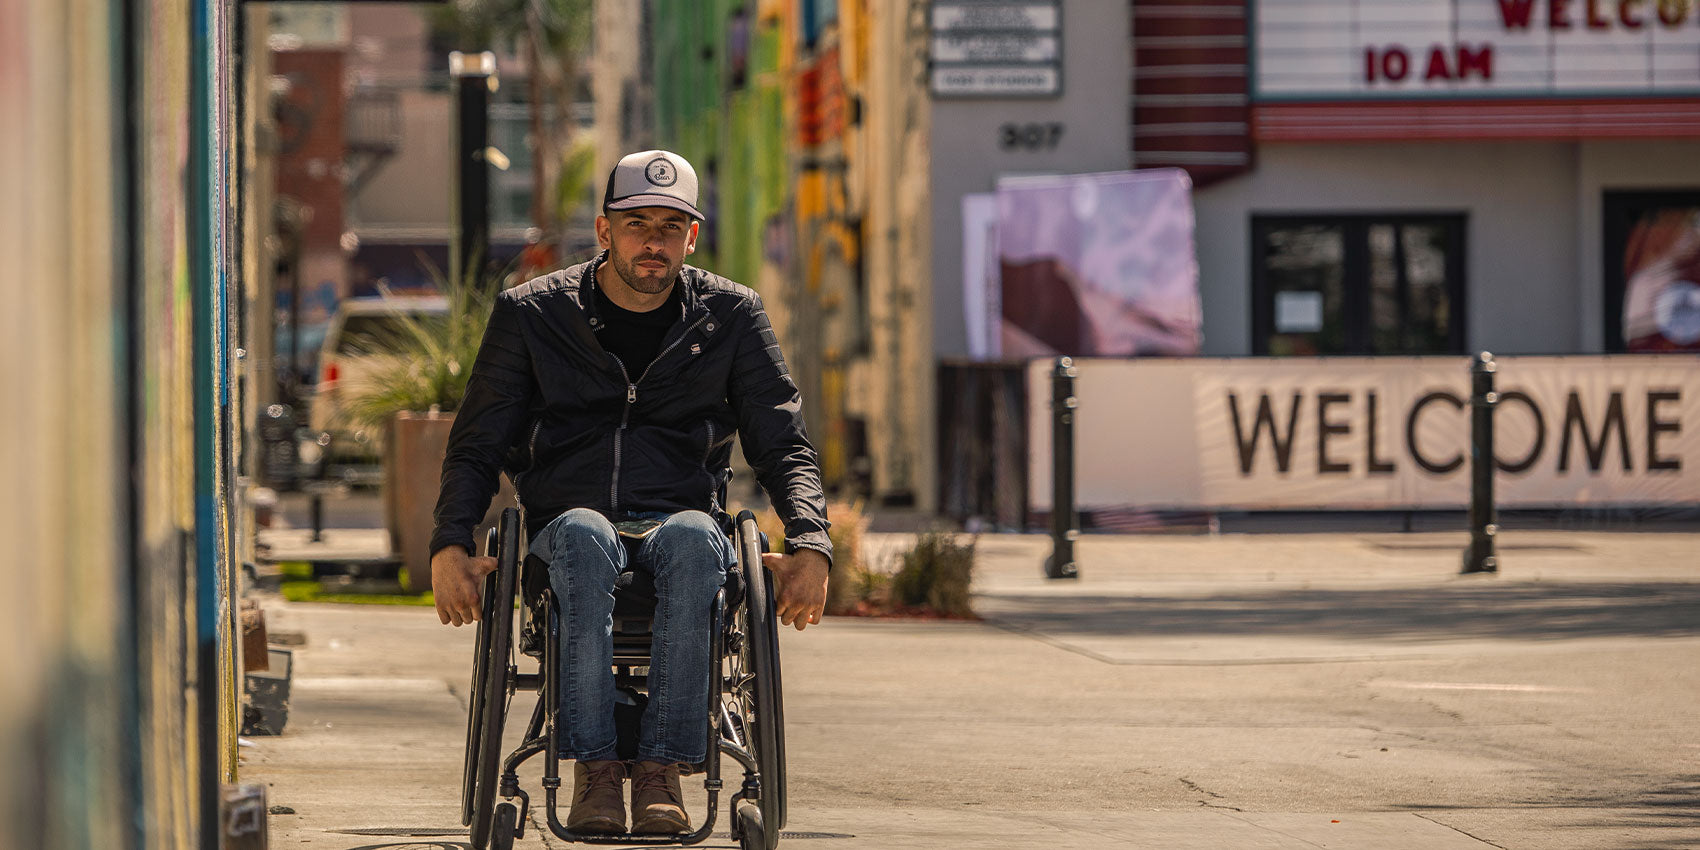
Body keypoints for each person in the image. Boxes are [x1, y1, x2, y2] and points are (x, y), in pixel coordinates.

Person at [427, 150, 832, 836]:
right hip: (567, 526)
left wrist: (810, 542)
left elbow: (783, 443)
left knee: (697, 538)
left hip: (682, 521)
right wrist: (450, 543)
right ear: (604, 230)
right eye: (638, 223)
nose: (654, 241)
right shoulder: (533, 314)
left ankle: (661, 771)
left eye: (671, 227)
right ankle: (595, 769)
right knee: (585, 532)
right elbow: (478, 443)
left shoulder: (732, 316)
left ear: (691, 237)